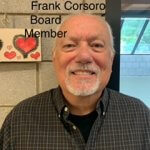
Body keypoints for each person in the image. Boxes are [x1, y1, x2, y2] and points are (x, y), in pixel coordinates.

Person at [0, 14, 149, 150]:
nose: (83, 56)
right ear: (54, 58)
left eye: (96, 45)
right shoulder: (18, 121)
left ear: (111, 58)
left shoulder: (141, 118)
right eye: (70, 45)